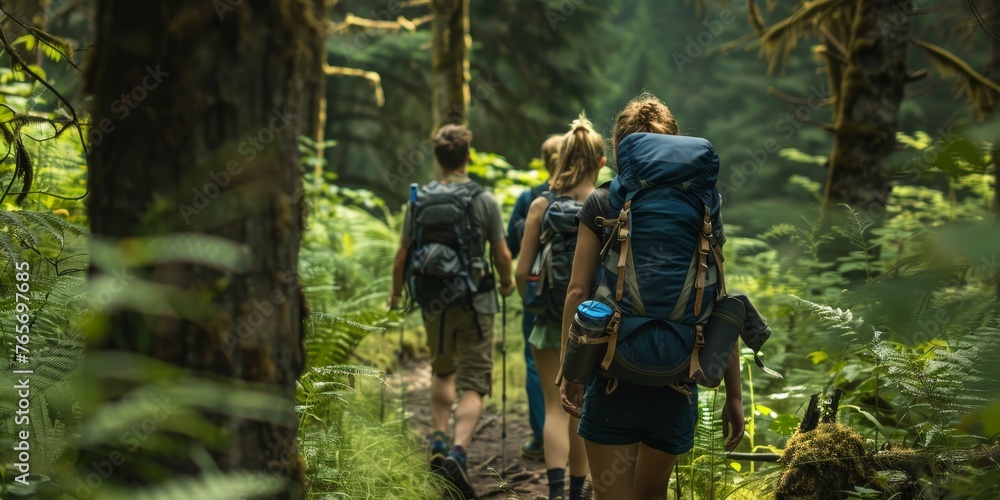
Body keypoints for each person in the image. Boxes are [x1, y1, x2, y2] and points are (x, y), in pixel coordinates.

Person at [558, 93, 746, 499]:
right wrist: (734, 394)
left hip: (611, 375)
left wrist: (569, 370)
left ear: (620, 148)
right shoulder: (704, 209)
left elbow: (576, 292)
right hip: (676, 381)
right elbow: (720, 301)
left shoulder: (602, 202)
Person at [390, 124, 516, 499]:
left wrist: (396, 296)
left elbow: (402, 256)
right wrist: (507, 284)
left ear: (437, 159)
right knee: (474, 381)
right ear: (468, 157)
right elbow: (502, 255)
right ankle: (458, 453)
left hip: (433, 302)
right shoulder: (485, 200)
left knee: (442, 369)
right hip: (475, 302)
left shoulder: (419, 200)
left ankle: (438, 441)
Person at [516, 115, 605, 500]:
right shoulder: (610, 204)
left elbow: (522, 271)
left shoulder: (540, 205)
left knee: (555, 407)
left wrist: (535, 306)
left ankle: (554, 492)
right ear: (601, 161)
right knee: (580, 409)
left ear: (562, 157)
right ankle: (577, 492)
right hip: (596, 329)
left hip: (547, 324)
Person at [505, 133, 563, 462]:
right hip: (576, 291)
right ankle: (577, 438)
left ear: (544, 162)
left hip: (536, 289)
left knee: (534, 361)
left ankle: (542, 437)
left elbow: (511, 249)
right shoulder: (588, 197)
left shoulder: (530, 198)